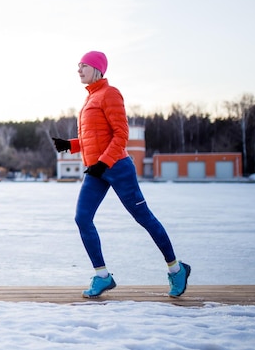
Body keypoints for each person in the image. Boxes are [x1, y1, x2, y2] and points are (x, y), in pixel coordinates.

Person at [52, 50, 190, 298]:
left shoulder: (110, 94)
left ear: (96, 68)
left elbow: (121, 136)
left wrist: (104, 163)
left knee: (144, 218)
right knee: (82, 218)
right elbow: (93, 138)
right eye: (78, 66)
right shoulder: (89, 99)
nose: (79, 70)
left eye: (83, 65)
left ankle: (176, 268)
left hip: (117, 167)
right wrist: (71, 145)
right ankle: (102, 276)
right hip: (96, 171)